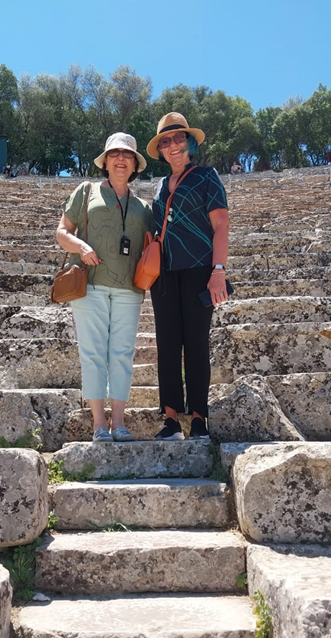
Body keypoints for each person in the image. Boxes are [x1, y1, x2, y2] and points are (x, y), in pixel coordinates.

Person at [56, 132, 154, 442]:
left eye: (127, 155)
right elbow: (61, 232)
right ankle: (99, 424)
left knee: (122, 354)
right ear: (106, 162)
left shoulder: (144, 208)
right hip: (90, 284)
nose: (121, 159)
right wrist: (82, 247)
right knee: (93, 353)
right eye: (115, 154)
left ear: (135, 164)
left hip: (129, 288)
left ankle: (119, 423)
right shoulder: (86, 192)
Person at [146, 112, 230, 441]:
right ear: (160, 150)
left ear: (189, 142)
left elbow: (221, 224)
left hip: (199, 270)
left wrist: (218, 271)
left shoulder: (207, 176)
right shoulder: (158, 186)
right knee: (167, 345)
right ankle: (170, 420)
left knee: (196, 344)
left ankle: (198, 419)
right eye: (165, 141)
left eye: (179, 138)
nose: (173, 145)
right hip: (164, 275)